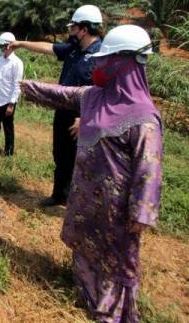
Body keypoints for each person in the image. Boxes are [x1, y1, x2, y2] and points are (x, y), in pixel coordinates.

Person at [20, 24, 161, 323]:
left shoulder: (144, 117)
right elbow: (60, 94)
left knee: (115, 259)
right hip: (86, 197)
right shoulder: (94, 97)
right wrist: (22, 86)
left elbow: (149, 169)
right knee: (85, 245)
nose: (98, 63)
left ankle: (110, 311)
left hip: (116, 210)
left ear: (125, 64)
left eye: (105, 59)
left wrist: (142, 212)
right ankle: (85, 289)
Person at [9, 4, 102, 206]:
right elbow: (48, 48)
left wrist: (86, 117)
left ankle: (77, 201)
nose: (70, 31)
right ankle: (59, 194)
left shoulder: (101, 55)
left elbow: (102, 92)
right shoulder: (73, 49)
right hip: (63, 111)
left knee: (81, 159)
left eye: (73, 27)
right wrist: (20, 44)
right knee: (60, 153)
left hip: (83, 116)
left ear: (84, 29)